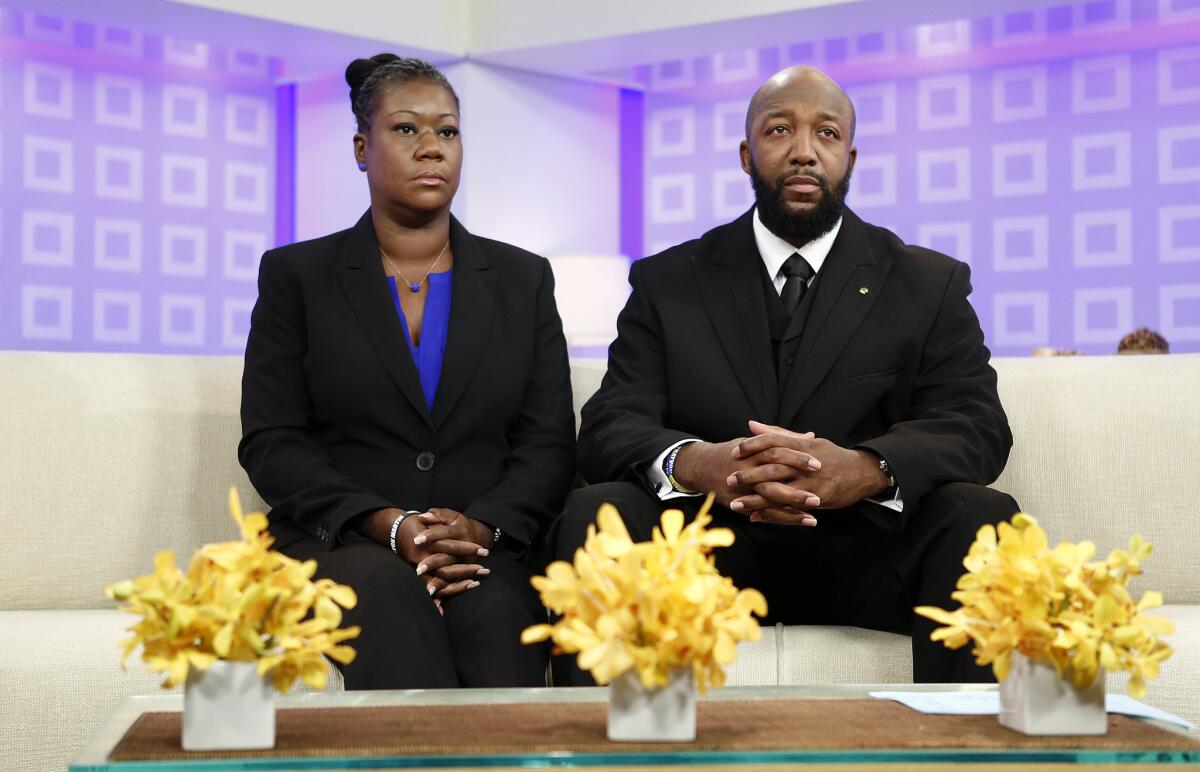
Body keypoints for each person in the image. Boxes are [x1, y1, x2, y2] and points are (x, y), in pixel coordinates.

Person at [550, 66, 1019, 685]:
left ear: (849, 158)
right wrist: (699, 463)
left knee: (979, 515)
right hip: (705, 560)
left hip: (866, 550)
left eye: (826, 134)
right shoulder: (669, 281)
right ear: (747, 154)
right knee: (596, 508)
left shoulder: (927, 283)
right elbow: (611, 422)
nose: (804, 151)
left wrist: (863, 470)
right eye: (779, 131)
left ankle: (961, 753)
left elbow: (977, 424)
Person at [239, 55, 575, 689]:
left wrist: (478, 528)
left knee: (497, 612)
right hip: (342, 542)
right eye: (406, 130)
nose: (431, 148)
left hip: (482, 548)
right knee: (385, 593)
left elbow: (548, 442)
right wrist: (387, 525)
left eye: (447, 132)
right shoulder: (296, 277)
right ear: (363, 148)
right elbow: (273, 441)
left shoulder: (523, 280)